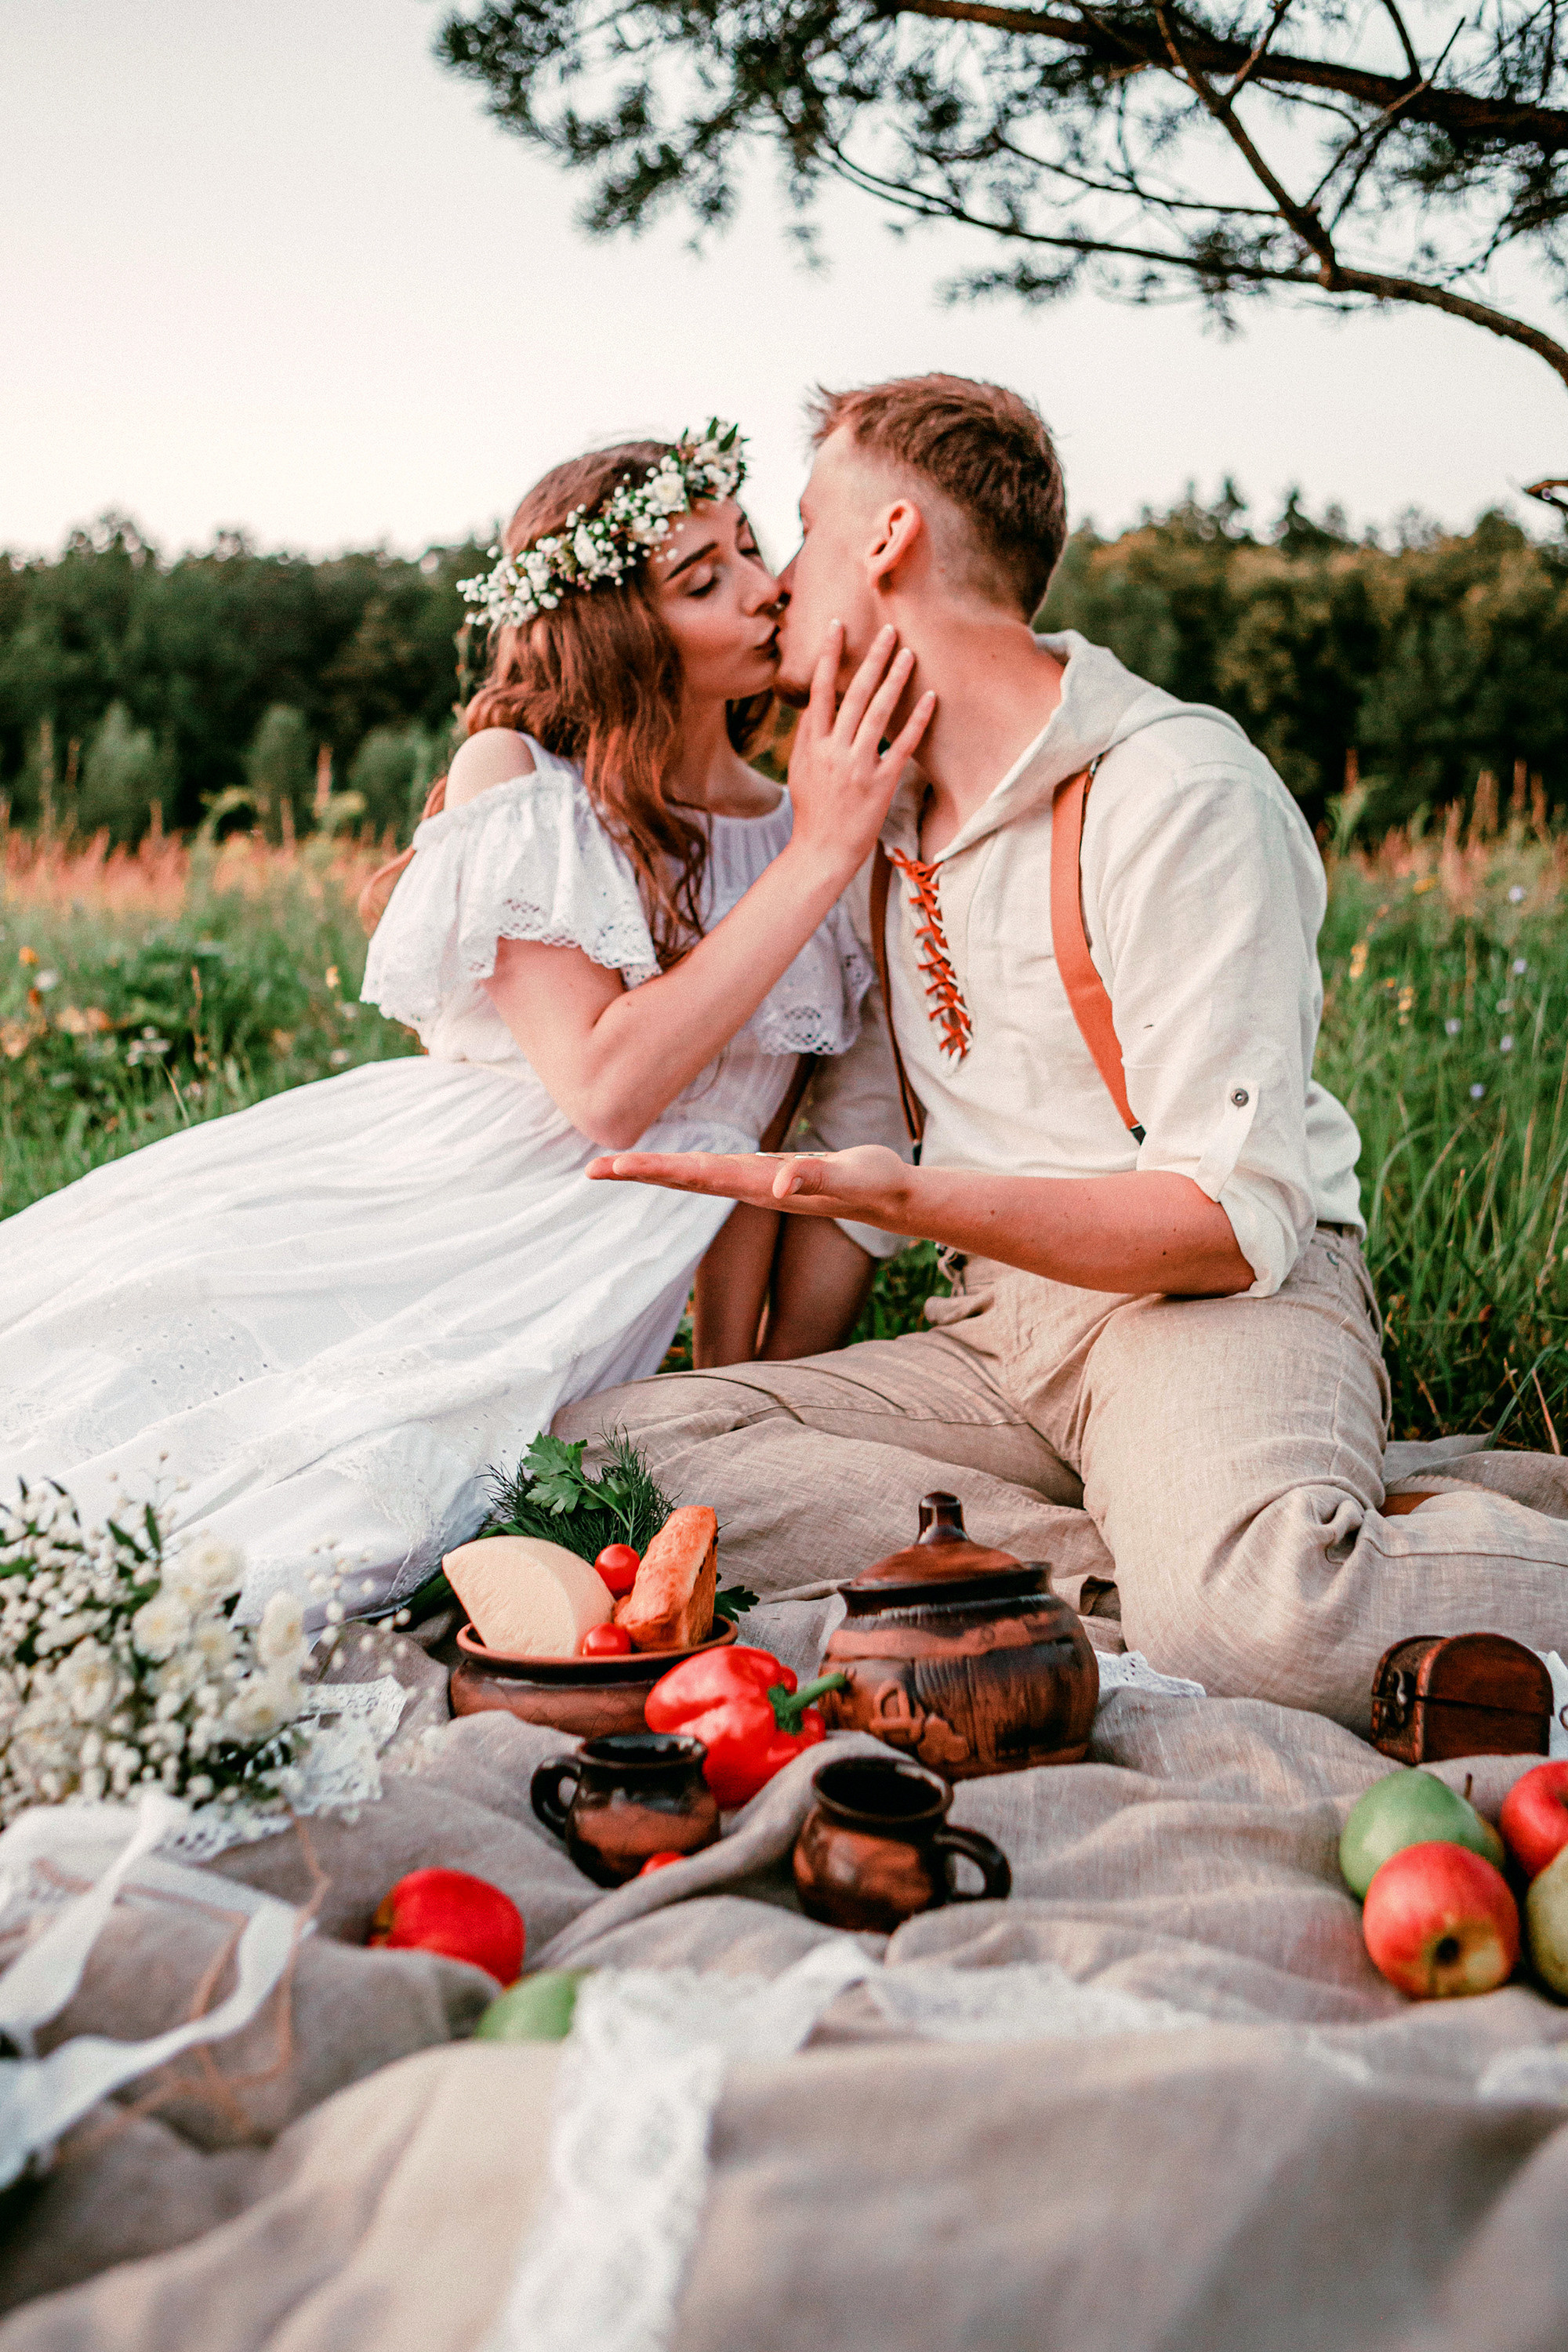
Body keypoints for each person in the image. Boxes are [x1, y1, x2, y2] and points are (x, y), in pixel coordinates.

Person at [561, 373, 1568, 1733]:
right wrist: (775, 1367)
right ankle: (1172, 1554)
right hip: (995, 1338)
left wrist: (908, 1202)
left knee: (1266, 1619)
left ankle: (1227, 1565)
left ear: (889, 538)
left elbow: (1230, 1221)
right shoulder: (880, 812)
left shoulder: (1176, 788)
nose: (778, 583)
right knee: (617, 1448)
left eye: (799, 529)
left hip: (1208, 1304)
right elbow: (868, 1138)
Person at [0, 425, 925, 1622]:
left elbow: (754, 1144)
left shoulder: (809, 822)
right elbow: (606, 1089)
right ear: (616, 629)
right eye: (704, 579)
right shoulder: (526, 779)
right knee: (225, 1484)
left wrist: (742, 1380)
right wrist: (818, 853)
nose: (767, 590)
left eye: (750, 549)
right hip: (438, 1219)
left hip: (605, 1285)